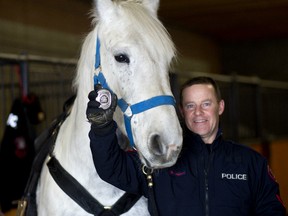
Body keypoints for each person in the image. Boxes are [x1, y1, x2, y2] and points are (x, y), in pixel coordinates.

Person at [86, 76, 286, 215]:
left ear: (221, 107)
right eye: (191, 105)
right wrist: (102, 127)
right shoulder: (161, 158)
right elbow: (112, 168)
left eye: (206, 104)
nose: (198, 112)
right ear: (182, 111)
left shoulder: (251, 162)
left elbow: (272, 210)